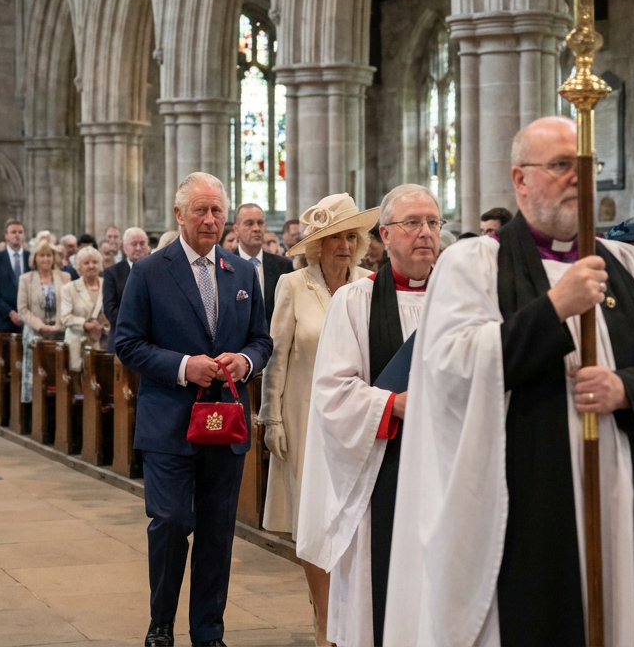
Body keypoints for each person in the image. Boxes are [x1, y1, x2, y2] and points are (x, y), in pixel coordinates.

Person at [385, 116, 634, 647]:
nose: (576, 179)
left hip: (626, 506)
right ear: (520, 179)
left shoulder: (630, 266)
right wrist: (553, 310)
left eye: (586, 167)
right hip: (525, 507)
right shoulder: (474, 264)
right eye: (561, 166)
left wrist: (627, 390)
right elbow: (449, 369)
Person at [112, 172, 272, 647]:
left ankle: (208, 631)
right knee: (172, 522)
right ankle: (161, 622)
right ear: (178, 215)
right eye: (200, 210)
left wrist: (244, 361)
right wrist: (185, 366)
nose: (210, 219)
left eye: (217, 210)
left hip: (226, 422)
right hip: (170, 424)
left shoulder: (242, 273)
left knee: (218, 532)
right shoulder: (150, 271)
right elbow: (128, 344)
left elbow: (261, 339)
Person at [297, 185, 439, 647]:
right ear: (385, 236)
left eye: (433, 223)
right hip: (384, 469)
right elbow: (333, 394)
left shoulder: (463, 299)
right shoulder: (355, 301)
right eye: (412, 223)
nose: (425, 233)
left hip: (448, 471)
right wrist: (392, 404)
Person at [259, 194, 377, 645]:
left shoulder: (369, 284)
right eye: (334, 238)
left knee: (349, 515)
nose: (344, 245)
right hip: (303, 415)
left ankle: (348, 613)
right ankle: (324, 617)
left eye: (351, 236)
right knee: (312, 520)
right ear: (317, 245)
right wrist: (272, 420)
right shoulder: (292, 286)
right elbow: (277, 357)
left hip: (353, 420)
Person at [17, 240, 70, 403]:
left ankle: (59, 407)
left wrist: (57, 326)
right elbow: (23, 310)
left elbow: (68, 304)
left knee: (58, 371)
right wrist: (41, 326)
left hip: (59, 330)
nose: (46, 259)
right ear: (35, 258)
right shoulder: (26, 279)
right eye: (42, 255)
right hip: (35, 332)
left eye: (49, 255)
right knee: (36, 372)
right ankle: (33, 406)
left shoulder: (65, 277)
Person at [231, 203, 294, 325]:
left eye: (260, 223)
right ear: (236, 230)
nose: (256, 228)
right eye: (249, 223)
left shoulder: (283, 266)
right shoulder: (225, 265)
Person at [60, 245, 107, 364]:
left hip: (103, 345)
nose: (91, 266)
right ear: (79, 267)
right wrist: (86, 325)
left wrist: (104, 326)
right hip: (76, 347)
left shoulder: (108, 286)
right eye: (86, 263)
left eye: (95, 262)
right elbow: (65, 317)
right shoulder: (69, 288)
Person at [0, 219, 30, 333]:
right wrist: (10, 313)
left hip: (27, 319)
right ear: (6, 236)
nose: (17, 235)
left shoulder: (30, 258)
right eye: (13, 232)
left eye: (20, 232)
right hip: (2, 319)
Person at [101, 226, 150, 327]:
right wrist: (135, 324)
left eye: (142, 243)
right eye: (134, 244)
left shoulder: (156, 270)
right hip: (123, 332)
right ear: (124, 247)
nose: (138, 248)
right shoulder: (112, 273)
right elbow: (110, 309)